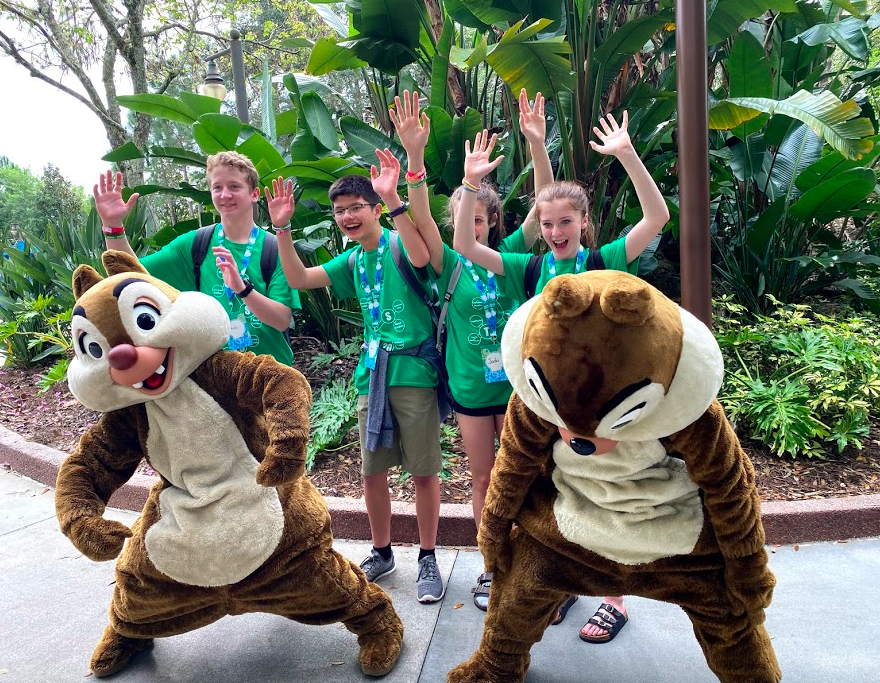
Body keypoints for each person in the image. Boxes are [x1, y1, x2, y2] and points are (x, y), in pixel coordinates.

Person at [454, 111, 670, 643]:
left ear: (583, 222)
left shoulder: (606, 258)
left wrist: (626, 154)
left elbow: (657, 217)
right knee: (552, 491)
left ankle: (614, 599)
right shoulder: (526, 269)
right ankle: (564, 583)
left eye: (565, 223)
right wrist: (469, 184)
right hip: (542, 405)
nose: (554, 232)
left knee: (606, 492)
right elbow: (464, 246)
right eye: (547, 225)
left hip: (600, 405)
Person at [389, 88, 552, 611]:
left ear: (491, 224)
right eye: (464, 219)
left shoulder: (511, 258)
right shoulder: (447, 265)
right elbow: (421, 219)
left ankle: (535, 556)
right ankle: (490, 565)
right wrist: (420, 160)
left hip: (520, 389)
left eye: (479, 219)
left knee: (531, 472)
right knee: (483, 476)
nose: (472, 226)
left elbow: (546, 208)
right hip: (468, 388)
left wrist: (537, 145)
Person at [270, 153, 447, 604]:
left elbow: (423, 255)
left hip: (414, 371)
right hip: (372, 375)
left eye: (356, 207)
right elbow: (299, 276)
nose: (348, 216)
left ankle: (427, 557)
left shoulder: (394, 244)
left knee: (424, 471)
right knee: (372, 473)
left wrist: (395, 200)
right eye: (340, 210)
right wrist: (283, 229)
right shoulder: (352, 261)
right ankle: (383, 551)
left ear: (373, 209)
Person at [92, 152, 301, 366]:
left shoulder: (275, 248)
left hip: (272, 377)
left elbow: (281, 319)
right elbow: (132, 276)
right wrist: (113, 226)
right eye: (217, 187)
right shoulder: (196, 244)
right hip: (217, 378)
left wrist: (242, 289)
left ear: (254, 194)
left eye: (234, 186)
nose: (225, 194)